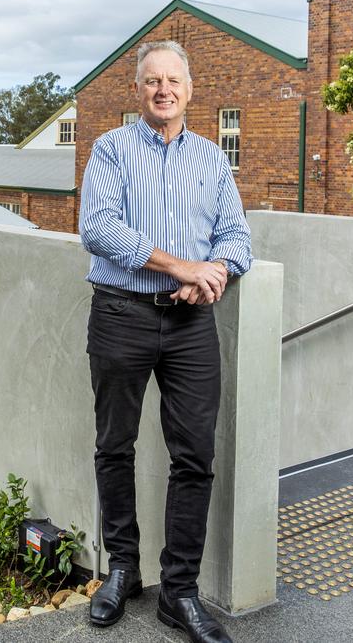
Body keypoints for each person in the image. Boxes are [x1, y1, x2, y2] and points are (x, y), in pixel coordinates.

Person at [79, 40, 252, 643]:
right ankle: (123, 571)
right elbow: (98, 228)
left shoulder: (211, 160)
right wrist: (181, 266)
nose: (163, 90)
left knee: (194, 457)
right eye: (152, 80)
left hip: (189, 328)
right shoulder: (110, 150)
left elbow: (237, 239)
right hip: (121, 313)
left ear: (189, 88)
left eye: (173, 80)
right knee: (114, 446)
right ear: (138, 89)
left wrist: (213, 276)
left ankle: (179, 593)